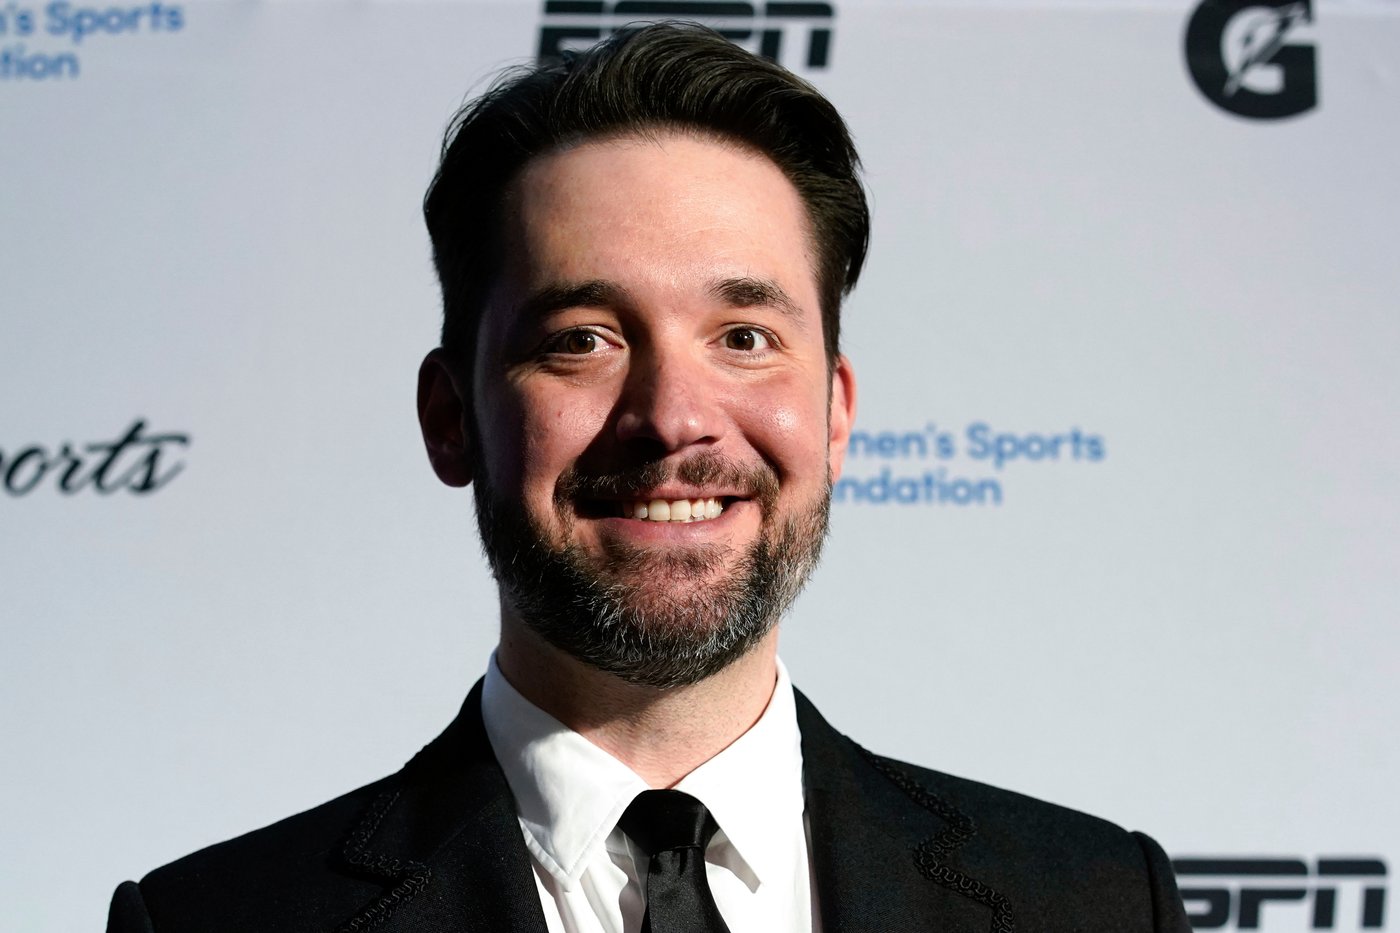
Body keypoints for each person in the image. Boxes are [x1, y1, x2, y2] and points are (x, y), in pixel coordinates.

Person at [107, 24, 1191, 932]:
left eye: (745, 336)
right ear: (451, 419)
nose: (672, 415)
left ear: (836, 413)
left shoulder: (1090, 903)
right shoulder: (214, 921)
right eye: (582, 337)